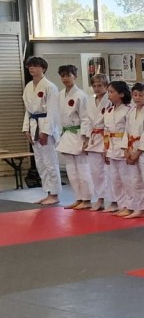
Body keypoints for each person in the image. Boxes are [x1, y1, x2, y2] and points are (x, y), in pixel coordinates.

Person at [21, 56, 62, 205]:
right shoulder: (28, 87)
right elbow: (28, 111)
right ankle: (48, 192)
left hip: (45, 126)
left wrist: (46, 131)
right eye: (30, 66)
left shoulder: (50, 87)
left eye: (35, 66)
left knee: (50, 162)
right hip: (33, 125)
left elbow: (53, 111)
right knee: (40, 163)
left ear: (43, 68)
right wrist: (26, 129)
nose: (31, 68)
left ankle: (55, 194)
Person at [54, 65, 92, 210]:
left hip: (78, 134)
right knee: (71, 170)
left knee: (83, 169)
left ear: (75, 76)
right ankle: (78, 198)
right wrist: (60, 134)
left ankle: (87, 199)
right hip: (67, 134)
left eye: (68, 75)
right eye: (62, 76)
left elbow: (85, 118)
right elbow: (59, 117)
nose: (65, 79)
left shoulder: (81, 95)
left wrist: (86, 138)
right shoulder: (60, 95)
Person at [122, 83, 144, 219]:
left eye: (141, 95)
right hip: (132, 148)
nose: (137, 98)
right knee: (135, 181)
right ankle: (141, 209)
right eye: (135, 95)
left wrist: (137, 153)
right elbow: (126, 131)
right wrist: (126, 150)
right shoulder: (131, 111)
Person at [82, 73, 111, 211]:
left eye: (100, 85)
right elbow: (87, 121)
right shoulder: (89, 101)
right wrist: (86, 139)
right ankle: (100, 199)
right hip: (93, 138)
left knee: (109, 171)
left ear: (106, 86)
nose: (97, 88)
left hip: (106, 137)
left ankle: (114, 201)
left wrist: (108, 143)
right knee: (95, 172)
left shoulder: (110, 100)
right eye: (94, 86)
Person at [103, 81, 131, 217]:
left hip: (123, 146)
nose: (109, 94)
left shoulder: (128, 110)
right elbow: (106, 131)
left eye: (112, 92)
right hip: (111, 146)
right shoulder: (109, 110)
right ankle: (121, 205)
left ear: (121, 94)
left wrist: (127, 148)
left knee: (126, 179)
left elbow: (129, 131)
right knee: (115, 179)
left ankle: (129, 206)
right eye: (108, 91)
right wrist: (105, 148)